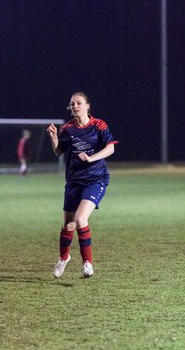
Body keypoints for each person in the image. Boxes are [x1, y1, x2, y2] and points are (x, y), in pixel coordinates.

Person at [46, 92, 118, 278]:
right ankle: (64, 258)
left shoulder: (99, 125)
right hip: (73, 180)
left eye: (78, 103)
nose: (75, 106)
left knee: (80, 220)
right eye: (72, 104)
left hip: (96, 178)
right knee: (68, 224)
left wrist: (91, 158)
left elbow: (110, 148)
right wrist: (54, 136)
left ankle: (87, 263)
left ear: (87, 106)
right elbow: (59, 151)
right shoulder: (68, 129)